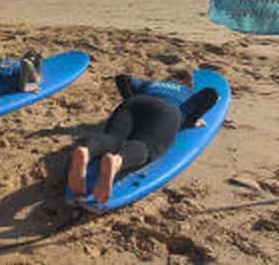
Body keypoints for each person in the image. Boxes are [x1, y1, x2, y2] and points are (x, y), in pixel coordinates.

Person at [67, 68, 219, 204]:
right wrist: (192, 119)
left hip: (135, 103)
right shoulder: (188, 93)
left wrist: (130, 97)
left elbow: (122, 78)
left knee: (112, 139)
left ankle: (86, 151)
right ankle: (117, 161)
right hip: (167, 111)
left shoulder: (149, 84)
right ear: (189, 85)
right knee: (147, 146)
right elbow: (211, 94)